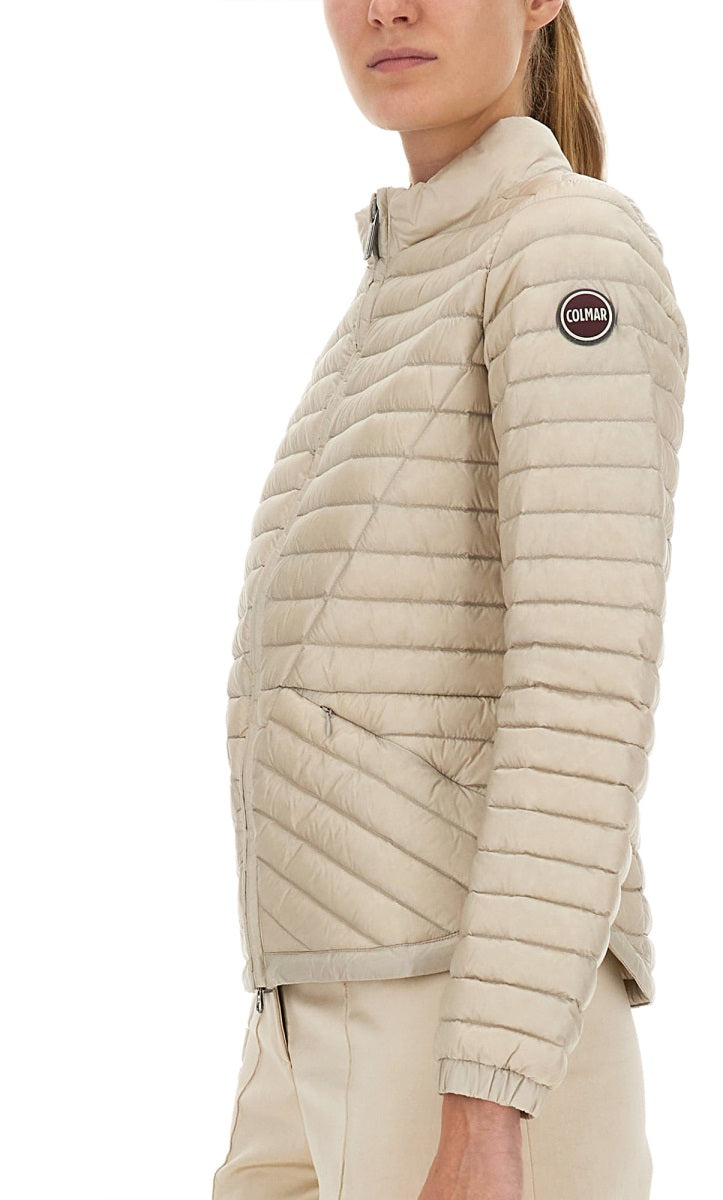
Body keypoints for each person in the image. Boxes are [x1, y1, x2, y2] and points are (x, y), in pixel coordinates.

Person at [211, 1, 688, 1198]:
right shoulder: (407, 278)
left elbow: (583, 696)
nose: (390, 6)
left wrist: (488, 1096)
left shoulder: (565, 250)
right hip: (318, 1012)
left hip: (463, 1047)